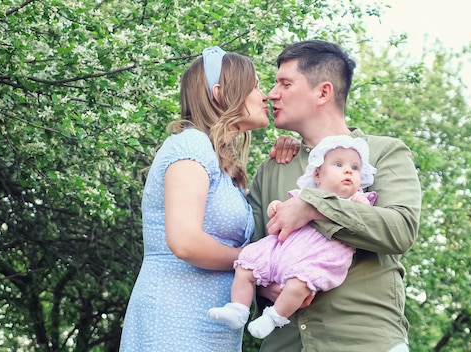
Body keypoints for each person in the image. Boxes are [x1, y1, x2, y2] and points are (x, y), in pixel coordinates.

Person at [247, 40, 422, 352]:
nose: (272, 94)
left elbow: (400, 230)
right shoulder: (272, 169)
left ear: (323, 92)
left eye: (285, 83)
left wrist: (314, 206)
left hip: (365, 344)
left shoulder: (384, 152)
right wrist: (269, 290)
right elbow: (253, 256)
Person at [119, 46, 270, 352]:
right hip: (173, 321)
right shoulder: (191, 145)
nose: (264, 95)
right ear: (220, 92)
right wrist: (252, 260)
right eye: (255, 86)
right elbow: (185, 242)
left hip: (211, 329)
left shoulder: (220, 161)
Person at [208, 135, 377, 339]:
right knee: (246, 265)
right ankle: (238, 309)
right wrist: (276, 207)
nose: (348, 170)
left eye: (355, 168)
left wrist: (360, 204)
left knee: (300, 283)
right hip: (282, 249)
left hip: (320, 255)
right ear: (317, 175)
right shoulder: (303, 194)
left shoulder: (356, 200)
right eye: (339, 164)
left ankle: (274, 317)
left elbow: (365, 218)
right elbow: (284, 213)